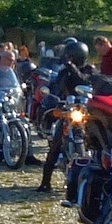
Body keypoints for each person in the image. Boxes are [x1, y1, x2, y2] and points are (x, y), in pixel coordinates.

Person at [37, 38, 97, 193]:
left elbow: (84, 81)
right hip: (68, 108)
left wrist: (71, 67)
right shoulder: (64, 71)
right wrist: (53, 98)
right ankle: (45, 182)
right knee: (56, 144)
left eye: (69, 56)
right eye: (66, 56)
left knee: (96, 141)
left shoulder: (90, 69)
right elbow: (57, 87)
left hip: (85, 109)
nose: (67, 58)